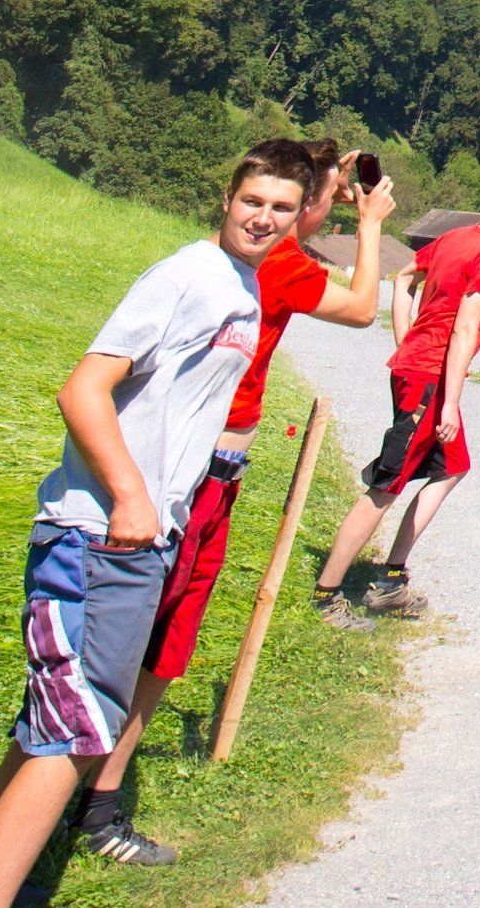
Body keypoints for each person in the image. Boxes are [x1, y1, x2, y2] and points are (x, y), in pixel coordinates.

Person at [0, 146, 306, 908]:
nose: (262, 217)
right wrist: (131, 497)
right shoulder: (188, 276)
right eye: (252, 199)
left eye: (281, 206)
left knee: (48, 729)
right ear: (226, 195)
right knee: (75, 733)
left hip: (136, 541)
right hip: (99, 535)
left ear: (300, 215)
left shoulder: (242, 287)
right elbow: (83, 388)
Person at [74, 141, 395, 867]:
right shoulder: (271, 263)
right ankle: (88, 799)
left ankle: (94, 795)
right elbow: (363, 307)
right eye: (324, 194)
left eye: (293, 201)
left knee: (166, 633)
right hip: (198, 472)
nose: (300, 212)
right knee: (150, 635)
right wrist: (370, 223)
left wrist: (330, 192)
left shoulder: (267, 262)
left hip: (218, 468)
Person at [308, 161, 480, 626]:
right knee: (386, 486)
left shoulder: (458, 237)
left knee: (452, 468)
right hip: (429, 381)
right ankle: (326, 596)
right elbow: (464, 330)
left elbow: (402, 279)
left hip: (418, 370)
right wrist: (450, 402)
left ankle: (390, 582)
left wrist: (404, 339)